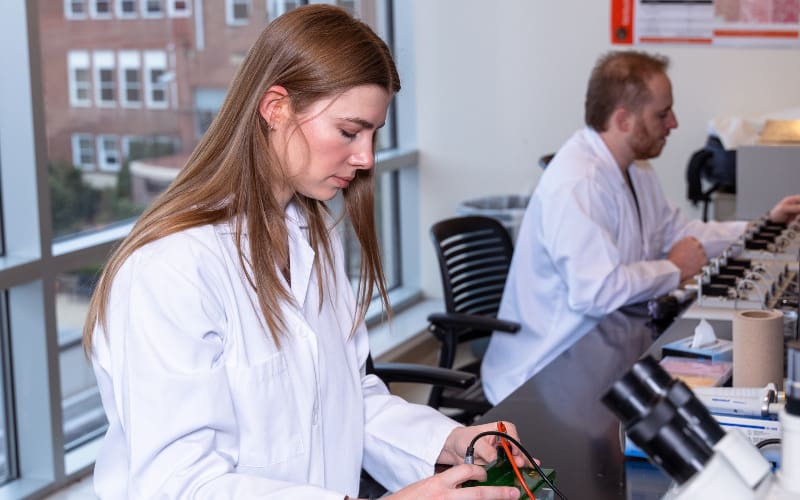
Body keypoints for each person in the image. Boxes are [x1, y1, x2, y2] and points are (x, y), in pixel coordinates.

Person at [82, 5, 528, 499]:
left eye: (373, 134)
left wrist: (451, 440)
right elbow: (179, 485)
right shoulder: (171, 270)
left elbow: (347, 400)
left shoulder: (313, 235)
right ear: (276, 108)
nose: (366, 158)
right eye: (349, 131)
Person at [481, 50, 800, 405]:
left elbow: (680, 234)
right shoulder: (577, 183)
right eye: (662, 114)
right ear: (624, 120)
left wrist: (763, 224)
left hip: (605, 348)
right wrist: (676, 269)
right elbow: (597, 291)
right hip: (546, 373)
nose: (674, 123)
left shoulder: (636, 169)